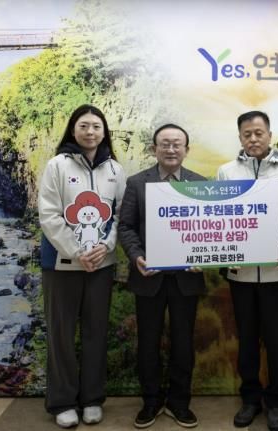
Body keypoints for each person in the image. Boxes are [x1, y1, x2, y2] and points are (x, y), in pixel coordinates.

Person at [216, 111, 278, 431]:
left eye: (259, 133)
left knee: (277, 339)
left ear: (270, 135)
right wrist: (226, 251)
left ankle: (277, 401)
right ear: (240, 137)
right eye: (247, 134)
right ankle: (250, 399)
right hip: (240, 275)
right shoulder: (226, 172)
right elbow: (218, 218)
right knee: (246, 338)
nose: (253, 139)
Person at [38, 105, 126, 428]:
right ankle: (62, 401)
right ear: (73, 130)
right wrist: (77, 252)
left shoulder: (116, 169)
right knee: (60, 334)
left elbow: (121, 214)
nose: (90, 132)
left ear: (104, 131)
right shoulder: (57, 166)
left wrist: (107, 246)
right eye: (83, 126)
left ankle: (92, 399)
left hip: (101, 264)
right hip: (61, 265)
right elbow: (49, 214)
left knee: (96, 332)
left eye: (96, 126)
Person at [118, 124, 206, 429]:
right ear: (154, 149)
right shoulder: (137, 183)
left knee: (183, 343)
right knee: (148, 342)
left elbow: (207, 229)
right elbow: (126, 226)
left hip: (186, 278)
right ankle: (151, 401)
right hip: (149, 277)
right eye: (165, 144)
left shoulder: (200, 184)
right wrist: (136, 256)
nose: (171, 149)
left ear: (186, 150)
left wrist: (204, 257)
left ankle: (180, 402)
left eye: (177, 144)